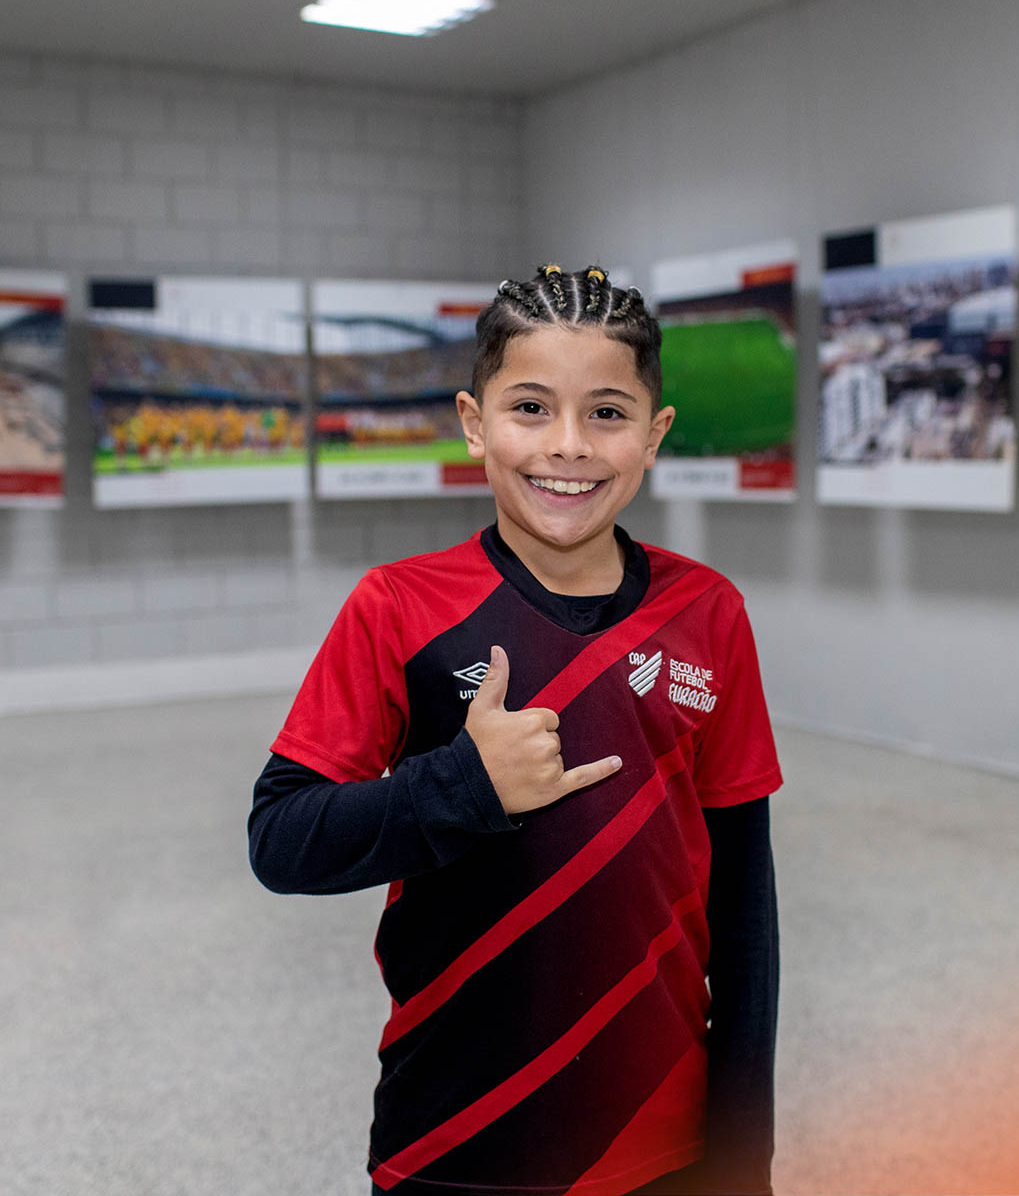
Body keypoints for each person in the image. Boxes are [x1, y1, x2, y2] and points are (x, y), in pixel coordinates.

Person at [247, 264, 783, 1196]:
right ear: (474, 421)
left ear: (654, 435)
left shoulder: (709, 611)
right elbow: (282, 840)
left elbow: (746, 913)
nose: (568, 445)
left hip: (663, 1140)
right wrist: (461, 785)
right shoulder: (398, 607)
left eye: (607, 413)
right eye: (531, 408)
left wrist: (743, 1154)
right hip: (454, 1137)